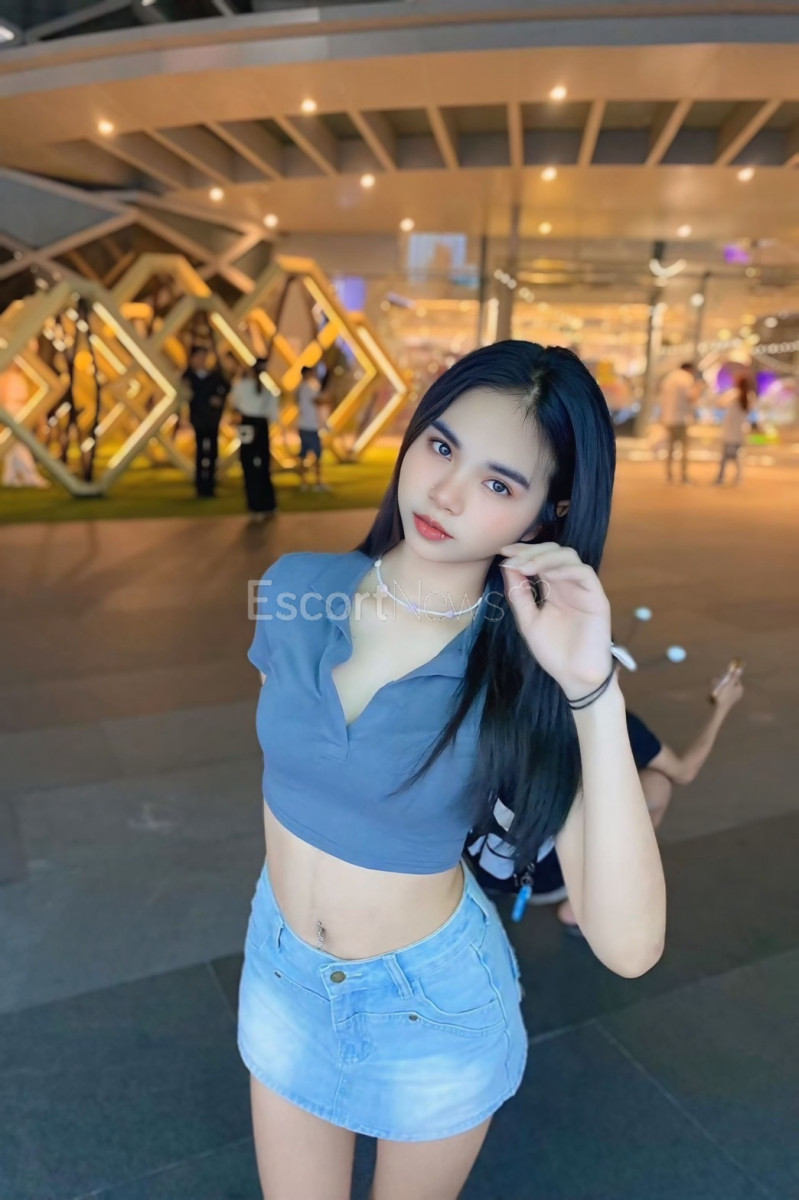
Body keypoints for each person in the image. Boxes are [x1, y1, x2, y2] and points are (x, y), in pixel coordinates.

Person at [238, 341, 666, 1200]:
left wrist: (590, 689)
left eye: (499, 484)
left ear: (546, 515)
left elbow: (627, 948)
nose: (446, 493)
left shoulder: (526, 672)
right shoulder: (294, 589)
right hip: (280, 970)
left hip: (427, 1006)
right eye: (441, 446)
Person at [552, 667, 744, 934]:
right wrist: (722, 708)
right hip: (557, 875)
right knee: (657, 786)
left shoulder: (514, 711)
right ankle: (584, 903)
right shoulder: (615, 720)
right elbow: (684, 771)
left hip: (503, 871)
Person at [231, 358, 279, 521]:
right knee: (264, 464)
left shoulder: (241, 386)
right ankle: (268, 504)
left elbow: (234, 403)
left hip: (247, 424)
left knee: (248, 465)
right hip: (262, 425)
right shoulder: (268, 390)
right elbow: (273, 414)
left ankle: (255, 505)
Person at [181, 345, 230, 498]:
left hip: (212, 419)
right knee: (201, 452)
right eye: (199, 357)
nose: (202, 360)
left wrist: (219, 399)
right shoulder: (189, 377)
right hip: (199, 419)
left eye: (204, 357)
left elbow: (226, 388)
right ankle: (201, 486)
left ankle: (210, 484)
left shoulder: (214, 376)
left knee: (212, 452)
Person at [659, 361, 700, 484]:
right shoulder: (686, 378)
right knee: (684, 448)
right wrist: (698, 388)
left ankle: (668, 474)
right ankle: (684, 475)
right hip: (681, 418)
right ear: (690, 369)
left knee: (670, 448)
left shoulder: (669, 378)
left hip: (668, 418)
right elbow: (691, 397)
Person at [294, 363, 331, 493]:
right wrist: (328, 399)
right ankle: (317, 482)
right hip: (310, 427)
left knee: (304, 456)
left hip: (304, 425)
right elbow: (318, 401)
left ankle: (304, 483)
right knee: (317, 456)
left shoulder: (300, 388)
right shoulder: (308, 388)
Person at [714, 374, 751, 487]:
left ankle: (721, 478)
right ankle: (738, 478)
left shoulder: (733, 394)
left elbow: (720, 403)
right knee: (736, 457)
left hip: (730, 432)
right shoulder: (748, 397)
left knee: (725, 457)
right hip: (740, 432)